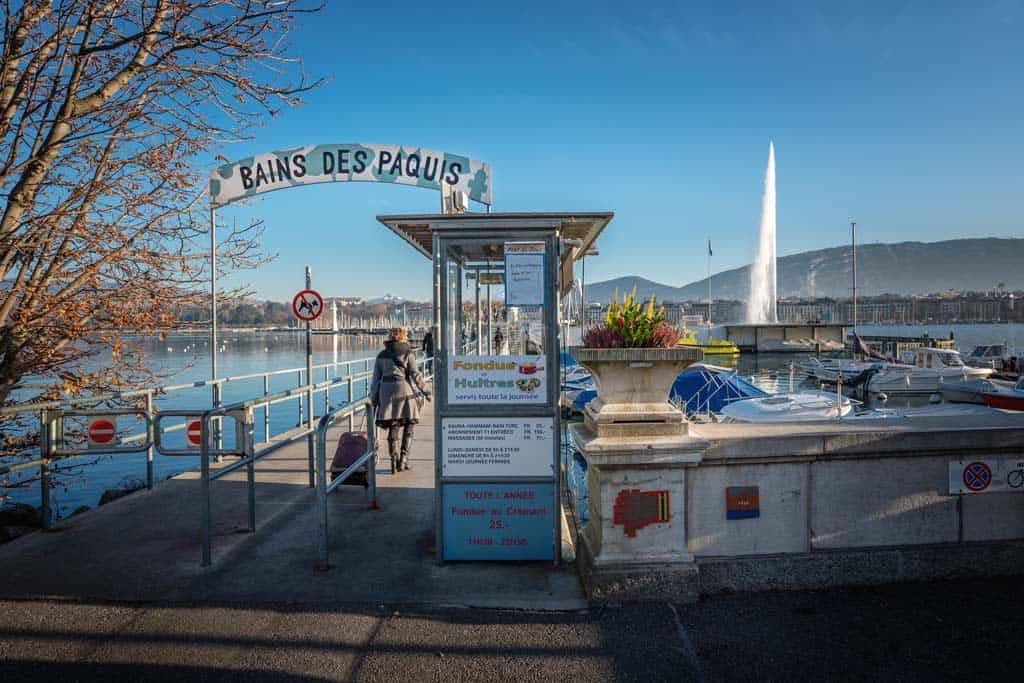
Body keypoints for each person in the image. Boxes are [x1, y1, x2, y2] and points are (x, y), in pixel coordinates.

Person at [370, 327, 431, 473]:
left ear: (390, 337)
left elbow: (375, 380)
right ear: (403, 337)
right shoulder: (408, 353)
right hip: (404, 389)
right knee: (409, 423)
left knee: (393, 424)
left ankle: (393, 459)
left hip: (386, 391)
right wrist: (426, 391)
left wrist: (374, 398)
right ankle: (403, 460)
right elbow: (416, 375)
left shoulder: (381, 355)